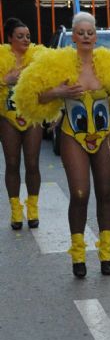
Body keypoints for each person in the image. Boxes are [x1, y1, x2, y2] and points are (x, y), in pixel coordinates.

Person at [14, 12, 110, 277]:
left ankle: (106, 255)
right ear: (74, 37)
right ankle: (78, 255)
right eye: (81, 32)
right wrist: (59, 92)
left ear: (95, 36)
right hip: (72, 136)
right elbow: (32, 95)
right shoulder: (58, 65)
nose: (86, 36)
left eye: (90, 32)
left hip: (105, 135)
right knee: (79, 194)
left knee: (105, 194)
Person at [0, 18, 45, 229]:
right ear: (9, 38)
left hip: (32, 116)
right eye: (20, 36)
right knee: (11, 163)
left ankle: (33, 208)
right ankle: (15, 210)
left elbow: (49, 82)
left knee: (33, 163)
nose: (25, 40)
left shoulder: (38, 58)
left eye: (27, 36)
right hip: (7, 116)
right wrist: (5, 80)